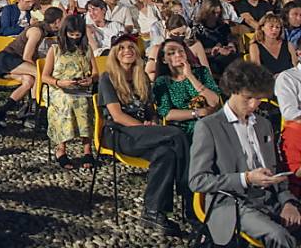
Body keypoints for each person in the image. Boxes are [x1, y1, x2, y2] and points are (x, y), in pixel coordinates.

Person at [190, 59, 301, 248]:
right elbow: (197, 181)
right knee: (279, 236)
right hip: (232, 203)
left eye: (258, 99)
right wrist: (246, 178)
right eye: (248, 97)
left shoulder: (263, 124)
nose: (252, 104)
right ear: (233, 90)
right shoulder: (209, 126)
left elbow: (275, 171)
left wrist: (288, 202)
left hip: (269, 198)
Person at [98, 36, 190, 235]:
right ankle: (188, 193)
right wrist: (145, 127)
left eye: (131, 47)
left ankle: (152, 211)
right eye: (121, 48)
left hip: (142, 133)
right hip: (119, 133)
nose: (127, 50)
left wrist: (153, 123)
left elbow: (151, 112)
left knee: (166, 153)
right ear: (115, 54)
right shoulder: (108, 78)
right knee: (176, 133)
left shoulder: (142, 78)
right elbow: (117, 115)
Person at [0, 7, 64, 127]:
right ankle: (33, 110)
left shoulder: (44, 29)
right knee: (40, 74)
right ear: (58, 21)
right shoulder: (36, 31)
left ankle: (0, 113)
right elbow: (27, 57)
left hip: (14, 62)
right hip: (6, 60)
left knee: (29, 81)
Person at [41, 15, 96, 169]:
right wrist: (60, 82)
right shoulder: (55, 49)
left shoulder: (86, 49)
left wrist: (90, 80)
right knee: (67, 103)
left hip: (80, 87)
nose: (74, 38)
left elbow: (95, 72)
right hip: (58, 88)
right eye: (71, 35)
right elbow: (45, 76)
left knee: (85, 103)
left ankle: (87, 150)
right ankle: (61, 148)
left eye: (77, 36)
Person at [152, 38, 221, 136]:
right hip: (183, 128)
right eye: (171, 53)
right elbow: (167, 114)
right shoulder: (162, 82)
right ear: (164, 59)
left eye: (181, 51)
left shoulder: (202, 72)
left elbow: (214, 101)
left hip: (211, 122)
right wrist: (198, 113)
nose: (178, 55)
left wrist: (190, 76)